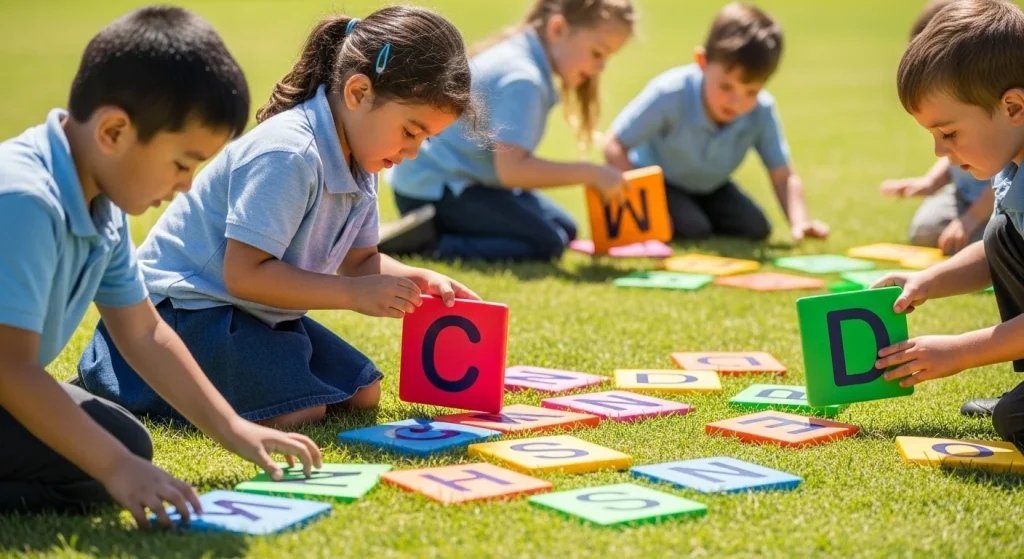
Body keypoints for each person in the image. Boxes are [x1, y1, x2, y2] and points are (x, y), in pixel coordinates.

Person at [79, 6, 480, 430]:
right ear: (358, 93)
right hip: (184, 311)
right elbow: (245, 275)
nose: (412, 152)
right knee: (299, 411)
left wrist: (413, 278)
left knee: (363, 393)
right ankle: (125, 375)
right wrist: (353, 296)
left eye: (426, 139)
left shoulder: (365, 160)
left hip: (251, 314)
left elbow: (360, 262)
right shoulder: (290, 153)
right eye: (410, 132)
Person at [0, 6, 320, 527]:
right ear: (114, 132)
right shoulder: (24, 199)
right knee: (107, 463)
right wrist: (115, 468)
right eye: (182, 163)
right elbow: (9, 368)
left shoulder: (99, 197)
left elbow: (145, 332)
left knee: (127, 444)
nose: (188, 184)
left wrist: (235, 429)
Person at [871, 0, 1024, 442]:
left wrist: (958, 351)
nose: (940, 152)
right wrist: (927, 281)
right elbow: (999, 250)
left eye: (949, 133)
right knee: (1000, 232)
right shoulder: (1011, 163)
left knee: (1014, 420)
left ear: (1013, 107)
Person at [381, 0, 635, 261]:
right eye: (597, 53)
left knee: (566, 229)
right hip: (436, 191)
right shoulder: (523, 80)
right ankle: (426, 244)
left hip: (458, 181)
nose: (601, 67)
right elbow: (513, 171)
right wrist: (591, 173)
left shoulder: (523, 53)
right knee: (547, 243)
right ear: (557, 29)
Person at [603, 2, 829, 243]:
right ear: (702, 61)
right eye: (726, 86)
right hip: (661, 182)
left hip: (712, 187)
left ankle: (696, 214)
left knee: (756, 228)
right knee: (693, 228)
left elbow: (782, 175)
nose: (736, 102)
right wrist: (643, 205)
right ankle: (691, 217)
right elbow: (614, 144)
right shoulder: (670, 93)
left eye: (751, 91)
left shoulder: (762, 110)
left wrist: (800, 221)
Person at [878, 0, 994, 256]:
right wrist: (930, 182)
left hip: (995, 203)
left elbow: (1007, 183)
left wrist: (970, 220)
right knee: (925, 231)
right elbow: (954, 153)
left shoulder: (997, 130)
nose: (940, 150)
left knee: (995, 241)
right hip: (963, 195)